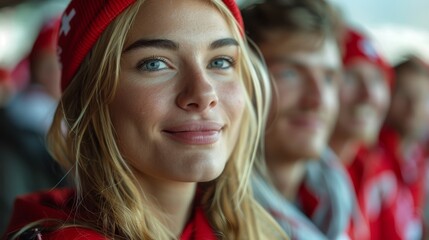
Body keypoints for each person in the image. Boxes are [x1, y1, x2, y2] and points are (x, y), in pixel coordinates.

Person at [3, 0, 288, 239]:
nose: (203, 94)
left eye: (220, 62)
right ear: (88, 99)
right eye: (155, 64)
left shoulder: (250, 229)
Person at [242, 0, 366, 239]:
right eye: (290, 73)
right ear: (243, 80)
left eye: (329, 78)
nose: (317, 100)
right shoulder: (211, 220)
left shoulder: (336, 199)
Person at [328, 27, 397, 240]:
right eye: (350, 77)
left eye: (377, 79)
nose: (368, 95)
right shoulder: (295, 174)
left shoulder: (370, 165)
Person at [377, 55, 429, 240]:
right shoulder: (369, 159)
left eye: (423, 98)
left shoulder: (417, 159)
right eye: (404, 95)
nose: (413, 106)